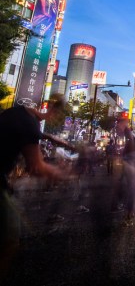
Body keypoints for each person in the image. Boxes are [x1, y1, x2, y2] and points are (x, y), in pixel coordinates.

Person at [0, 93, 69, 276]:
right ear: (52, 111)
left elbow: (30, 132)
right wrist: (64, 175)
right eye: (59, 115)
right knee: (10, 238)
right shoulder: (30, 127)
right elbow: (36, 167)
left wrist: (50, 138)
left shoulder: (18, 112)